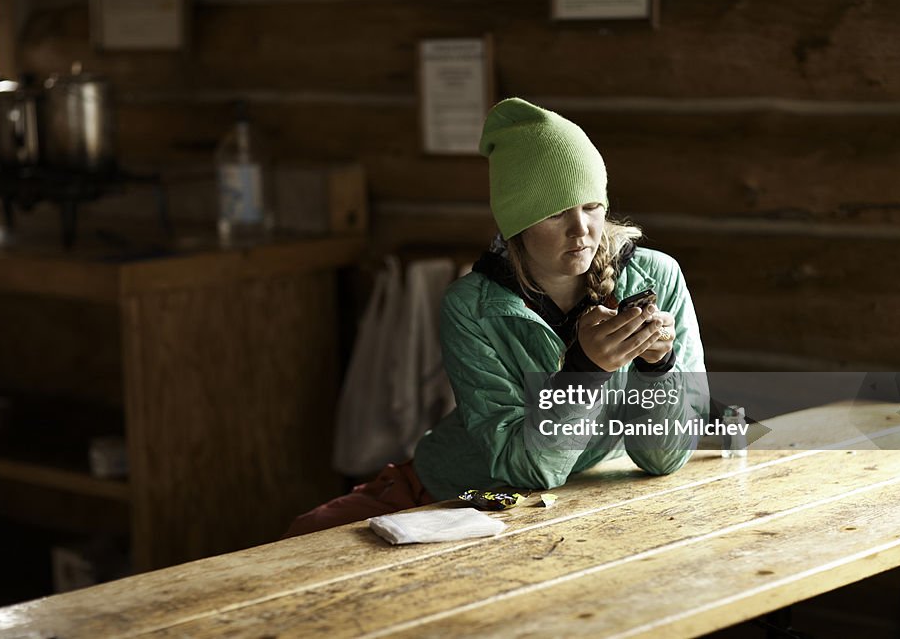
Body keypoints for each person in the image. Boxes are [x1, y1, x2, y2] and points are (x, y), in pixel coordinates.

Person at [283, 97, 707, 538]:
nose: (581, 229)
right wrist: (585, 372)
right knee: (304, 535)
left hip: (563, 510)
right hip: (450, 497)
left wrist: (658, 368)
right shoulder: (471, 307)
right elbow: (527, 470)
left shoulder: (654, 276)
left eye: (592, 206)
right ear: (518, 222)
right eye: (556, 212)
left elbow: (665, 458)